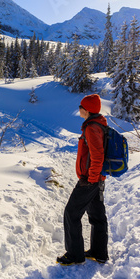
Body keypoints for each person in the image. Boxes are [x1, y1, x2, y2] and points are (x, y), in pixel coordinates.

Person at [57, 94, 109, 266]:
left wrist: (91, 179)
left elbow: (97, 155)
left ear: (87, 110)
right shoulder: (97, 124)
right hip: (96, 178)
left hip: (90, 179)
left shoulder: (92, 127)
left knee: (71, 213)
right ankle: (99, 252)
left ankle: (74, 254)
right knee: (97, 215)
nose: (79, 108)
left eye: (81, 106)